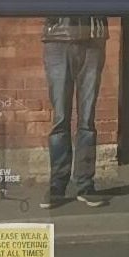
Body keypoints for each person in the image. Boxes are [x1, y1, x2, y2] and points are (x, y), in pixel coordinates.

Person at [41, 16, 110, 209]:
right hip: (57, 38)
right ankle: (57, 184)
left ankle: (85, 184)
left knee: (87, 119)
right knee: (60, 118)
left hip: (92, 37)